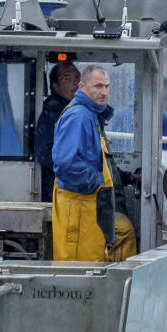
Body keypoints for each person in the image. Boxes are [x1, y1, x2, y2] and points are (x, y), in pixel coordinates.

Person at [51, 65, 136, 262]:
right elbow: (66, 165)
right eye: (98, 86)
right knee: (78, 272)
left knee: (94, 263)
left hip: (89, 208)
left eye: (107, 87)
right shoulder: (79, 116)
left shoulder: (91, 115)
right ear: (82, 86)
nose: (104, 92)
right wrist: (97, 182)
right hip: (78, 208)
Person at [35, 62, 81, 202]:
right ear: (55, 86)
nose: (76, 83)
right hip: (58, 192)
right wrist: (80, 172)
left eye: (78, 78)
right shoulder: (53, 112)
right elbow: (45, 154)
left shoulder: (78, 110)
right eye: (67, 79)